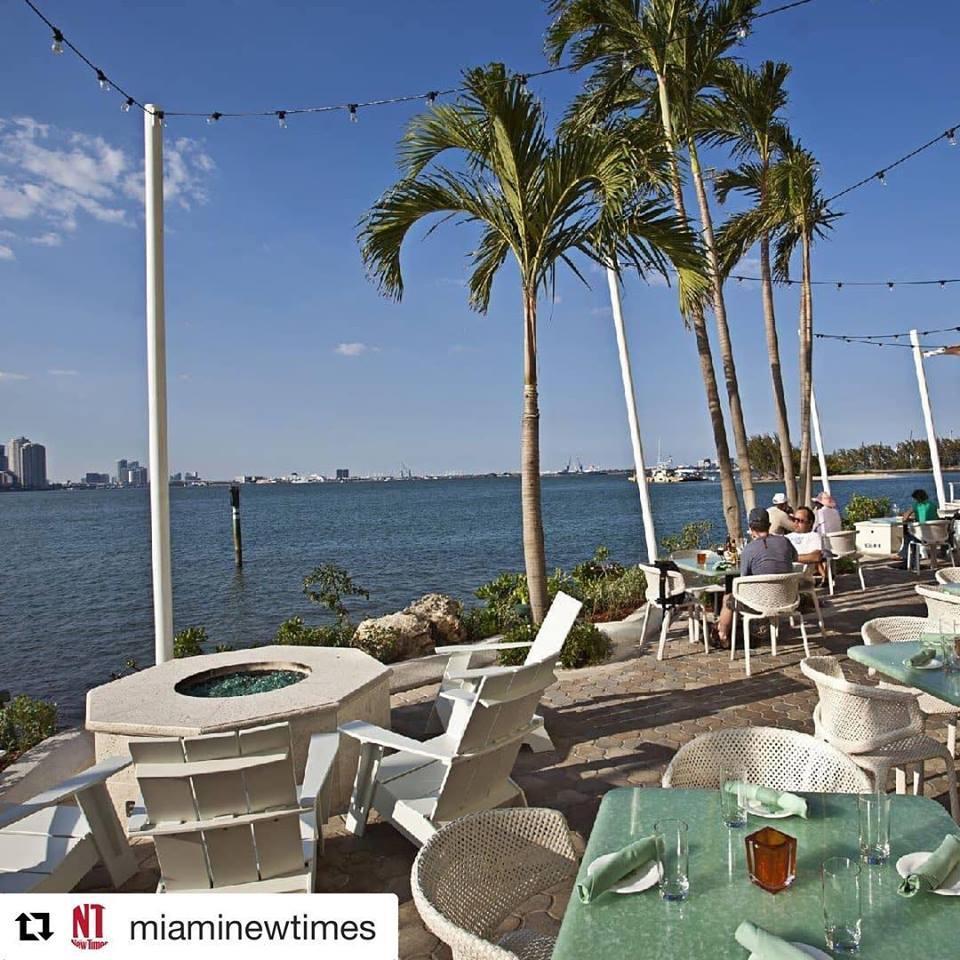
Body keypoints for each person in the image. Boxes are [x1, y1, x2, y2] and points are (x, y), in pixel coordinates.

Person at [717, 507, 797, 645]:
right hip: (787, 598)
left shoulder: (749, 549)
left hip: (758, 603)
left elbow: (743, 578)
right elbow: (795, 557)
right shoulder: (785, 542)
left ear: (750, 527)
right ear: (769, 525)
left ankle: (722, 634)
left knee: (728, 598)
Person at [898, 489, 939, 566]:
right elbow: (935, 517)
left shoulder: (916, 505)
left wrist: (913, 517)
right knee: (929, 538)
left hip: (922, 537)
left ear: (917, 498)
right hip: (935, 536)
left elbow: (905, 518)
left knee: (907, 536)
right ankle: (934, 562)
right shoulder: (933, 505)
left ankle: (910, 558)